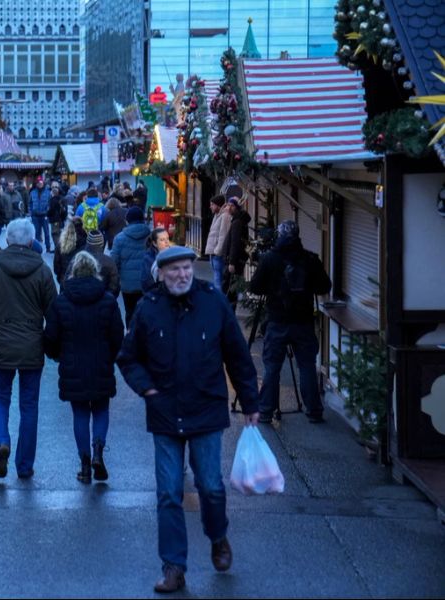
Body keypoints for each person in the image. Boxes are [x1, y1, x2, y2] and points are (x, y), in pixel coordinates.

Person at [117, 246, 260, 593]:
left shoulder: (213, 302)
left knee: (210, 486)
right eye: (173, 270)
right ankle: (173, 567)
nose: (181, 275)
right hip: (164, 412)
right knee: (168, 493)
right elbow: (128, 358)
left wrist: (251, 402)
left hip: (207, 409)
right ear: (161, 275)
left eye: (185, 268)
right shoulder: (149, 309)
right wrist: (145, 388)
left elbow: (237, 355)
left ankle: (218, 535)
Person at [0, 219, 57, 479]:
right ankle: (25, 465)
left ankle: (0, 441)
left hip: (1, 342)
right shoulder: (42, 270)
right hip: (32, 344)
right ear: (31, 241)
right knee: (29, 406)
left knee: (0, 398)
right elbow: (52, 310)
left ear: (7, 239)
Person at [44, 251, 124, 483]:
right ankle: (98, 449)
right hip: (101, 362)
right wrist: (112, 356)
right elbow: (118, 334)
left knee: (80, 413)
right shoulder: (108, 300)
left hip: (72, 364)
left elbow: (51, 335)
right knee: (100, 409)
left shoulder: (62, 301)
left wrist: (56, 355)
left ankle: (85, 463)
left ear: (73, 272)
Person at [250, 220, 332, 424]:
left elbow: (255, 287)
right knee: (306, 365)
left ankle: (266, 410)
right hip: (303, 321)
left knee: (272, 367)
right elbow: (324, 286)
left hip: (277, 320)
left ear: (279, 235)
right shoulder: (310, 259)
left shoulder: (270, 259)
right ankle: (314, 410)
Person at [111, 206, 151, 329]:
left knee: (130, 313)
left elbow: (114, 262)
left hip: (127, 285)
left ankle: (131, 336)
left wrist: (115, 282)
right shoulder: (150, 236)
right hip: (147, 283)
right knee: (146, 314)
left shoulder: (119, 238)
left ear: (127, 220)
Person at [221, 197, 251, 308]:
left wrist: (232, 262)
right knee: (230, 289)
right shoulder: (237, 220)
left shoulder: (237, 222)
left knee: (229, 289)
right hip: (235, 260)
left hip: (233, 261)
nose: (228, 208)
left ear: (236, 207)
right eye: (228, 205)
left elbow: (235, 243)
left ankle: (229, 313)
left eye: (231, 205)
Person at [203, 195, 232, 291]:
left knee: (218, 280)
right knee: (216, 279)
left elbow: (223, 235)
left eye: (212, 204)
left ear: (218, 205)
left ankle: (219, 302)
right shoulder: (217, 216)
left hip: (217, 254)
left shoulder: (225, 216)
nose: (210, 206)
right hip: (213, 253)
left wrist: (218, 251)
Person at [84, 230, 120, 299]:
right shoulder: (109, 262)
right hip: (104, 302)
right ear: (102, 244)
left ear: (87, 242)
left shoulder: (78, 260)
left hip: (82, 302)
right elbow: (115, 285)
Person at [53, 217, 87, 289]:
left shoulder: (61, 244)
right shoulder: (86, 242)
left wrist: (60, 277)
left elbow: (56, 268)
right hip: (81, 281)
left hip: (65, 280)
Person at [140, 227, 171, 292]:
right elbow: (147, 283)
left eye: (167, 238)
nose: (166, 242)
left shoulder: (174, 253)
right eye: (162, 240)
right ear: (154, 243)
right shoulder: (149, 259)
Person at [29, 176, 52, 253]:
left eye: (41, 183)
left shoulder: (48, 192)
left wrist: (47, 211)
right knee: (36, 233)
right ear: (36, 184)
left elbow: (50, 203)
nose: (40, 184)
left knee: (46, 233)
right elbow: (30, 203)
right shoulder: (32, 193)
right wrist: (31, 213)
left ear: (43, 183)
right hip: (35, 216)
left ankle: (48, 247)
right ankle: (36, 248)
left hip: (44, 216)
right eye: (38, 183)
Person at [47, 181, 70, 251]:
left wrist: (47, 213)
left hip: (56, 220)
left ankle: (59, 251)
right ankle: (59, 249)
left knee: (56, 235)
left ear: (59, 188)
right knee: (58, 235)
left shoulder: (57, 199)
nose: (54, 188)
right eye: (53, 187)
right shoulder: (54, 197)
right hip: (58, 220)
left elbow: (51, 210)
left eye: (56, 187)